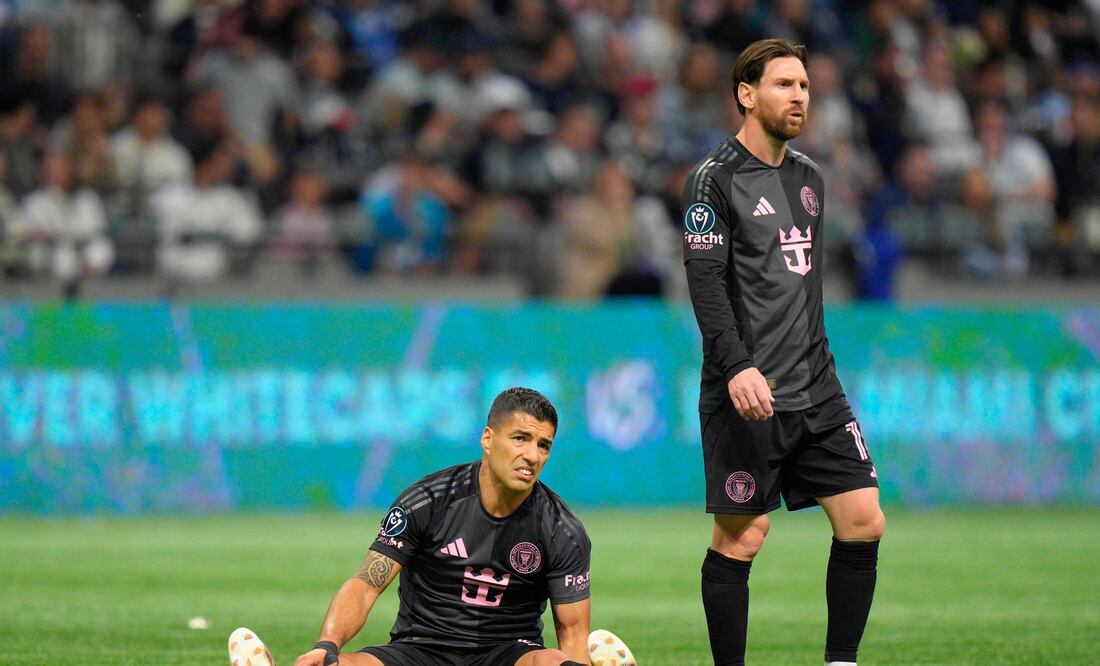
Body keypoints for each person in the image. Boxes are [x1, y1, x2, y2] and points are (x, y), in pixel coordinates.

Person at [681, 39, 885, 666]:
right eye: (783, 85)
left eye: (804, 86)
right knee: (741, 539)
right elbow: (707, 285)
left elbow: (804, 288)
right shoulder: (714, 181)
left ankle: (840, 662)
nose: (798, 97)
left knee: (863, 518)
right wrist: (737, 365)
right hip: (748, 395)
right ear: (747, 94)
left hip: (817, 388)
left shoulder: (811, 179)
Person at [229, 387, 593, 666]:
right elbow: (366, 584)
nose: (532, 455)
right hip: (423, 649)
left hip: (509, 654)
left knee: (551, 662)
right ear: (488, 439)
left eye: (544, 445)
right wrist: (327, 644)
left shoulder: (561, 529)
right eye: (520, 438)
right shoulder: (428, 502)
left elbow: (572, 632)